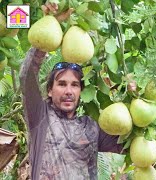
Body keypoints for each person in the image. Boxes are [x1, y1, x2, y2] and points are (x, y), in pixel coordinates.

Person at [19, 3, 123, 180]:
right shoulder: (40, 116)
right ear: (50, 90)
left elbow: (127, 144)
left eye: (74, 85)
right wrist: (50, 30)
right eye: (61, 84)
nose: (68, 91)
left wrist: (133, 98)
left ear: (81, 91)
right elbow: (26, 76)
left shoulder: (91, 127)